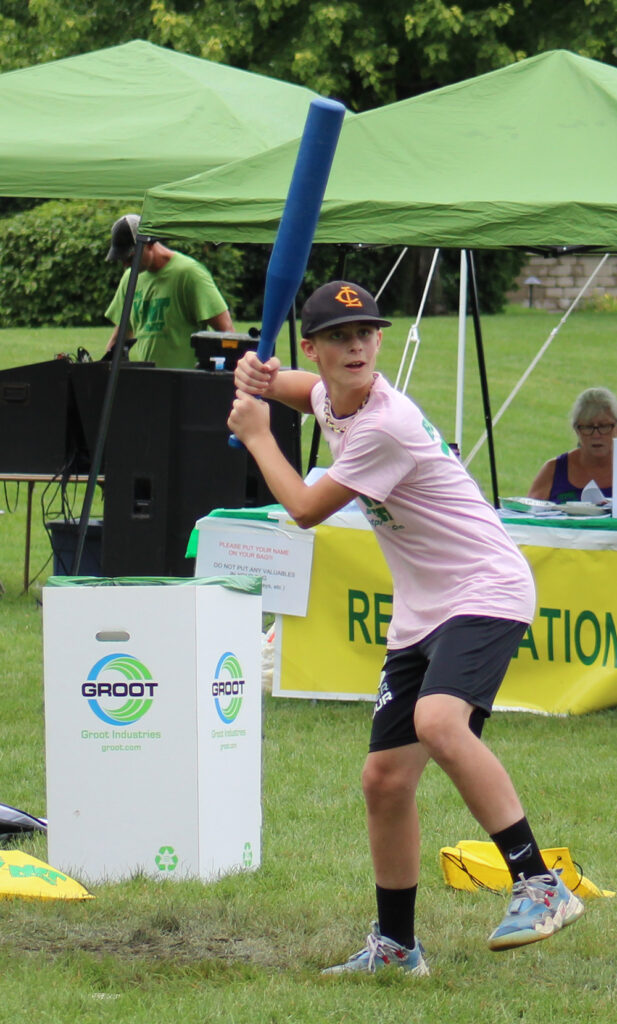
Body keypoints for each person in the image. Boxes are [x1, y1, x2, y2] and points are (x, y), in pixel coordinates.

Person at [228, 280, 584, 975]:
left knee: (440, 722)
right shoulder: (335, 394)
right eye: (337, 337)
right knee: (383, 781)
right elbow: (307, 392)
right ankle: (395, 947)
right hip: (424, 607)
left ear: (379, 341)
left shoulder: (383, 424)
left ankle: (539, 883)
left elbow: (303, 507)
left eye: (364, 334)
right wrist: (265, 380)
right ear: (316, 348)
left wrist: (255, 433)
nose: (354, 346)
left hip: (485, 586)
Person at [104, 213, 234, 369]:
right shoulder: (129, 279)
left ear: (149, 244)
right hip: (149, 381)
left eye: (130, 258)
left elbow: (227, 332)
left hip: (186, 383)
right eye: (121, 259)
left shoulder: (189, 274)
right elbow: (121, 335)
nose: (125, 265)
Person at [528, 387, 617, 503]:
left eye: (604, 426)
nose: (596, 435)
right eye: (588, 427)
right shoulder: (554, 470)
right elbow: (527, 515)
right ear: (577, 430)